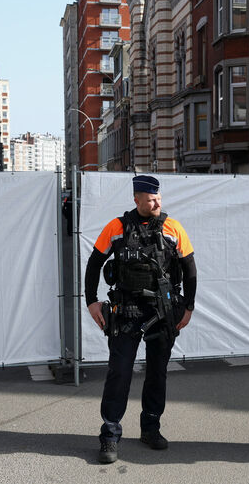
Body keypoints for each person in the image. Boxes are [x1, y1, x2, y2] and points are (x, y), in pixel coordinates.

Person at [84, 175, 197, 464]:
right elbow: (95, 262)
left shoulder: (173, 227)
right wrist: (91, 301)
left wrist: (189, 308)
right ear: (137, 199)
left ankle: (151, 427)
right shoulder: (117, 227)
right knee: (119, 372)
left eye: (159, 198)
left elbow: (190, 268)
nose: (157, 202)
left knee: (157, 373)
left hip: (162, 311)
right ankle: (109, 435)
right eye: (150, 199)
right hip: (127, 312)